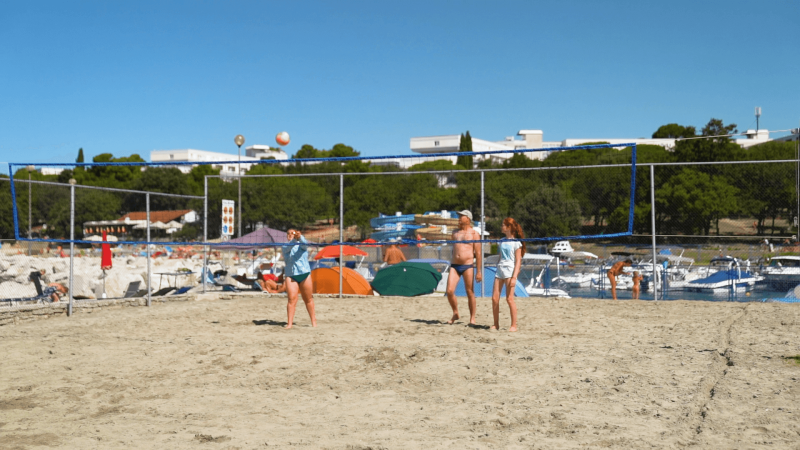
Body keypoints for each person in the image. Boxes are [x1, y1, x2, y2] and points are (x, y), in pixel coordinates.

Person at [445, 210, 483, 324]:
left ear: (468, 218)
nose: (459, 218)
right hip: (455, 265)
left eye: (462, 216)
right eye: (459, 216)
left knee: (469, 291)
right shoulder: (455, 232)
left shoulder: (474, 234)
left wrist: (479, 272)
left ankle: (472, 318)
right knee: (449, 291)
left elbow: (479, 253)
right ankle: (455, 313)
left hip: (468, 265)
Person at [491, 218, 525, 332]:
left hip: (510, 271)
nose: (501, 227)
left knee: (509, 299)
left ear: (509, 227)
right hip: (500, 269)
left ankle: (513, 325)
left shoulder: (516, 243)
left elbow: (518, 261)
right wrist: (497, 267)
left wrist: (515, 277)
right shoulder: (501, 241)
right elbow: (500, 256)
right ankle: (496, 324)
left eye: (503, 225)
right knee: (495, 298)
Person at [283, 229, 317, 329]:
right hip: (291, 275)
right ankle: (289, 324)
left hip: (304, 274)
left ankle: (314, 322)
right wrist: (294, 239)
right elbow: (288, 248)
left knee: (308, 299)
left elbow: (305, 244)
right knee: (291, 300)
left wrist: (300, 237)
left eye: (292, 233)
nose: (290, 235)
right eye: (288, 233)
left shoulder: (301, 244)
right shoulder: (285, 246)